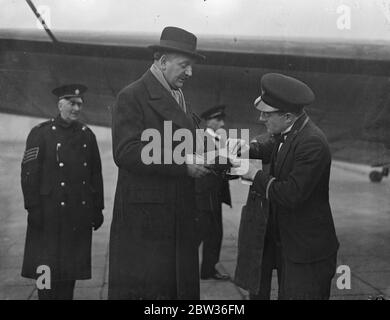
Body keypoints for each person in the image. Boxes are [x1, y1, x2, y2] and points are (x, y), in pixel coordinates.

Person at [108, 26, 210, 299]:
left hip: (175, 212)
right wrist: (182, 165)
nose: (190, 73)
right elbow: (127, 151)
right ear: (162, 61)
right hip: (148, 220)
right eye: (185, 65)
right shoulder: (132, 95)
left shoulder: (177, 95)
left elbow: (185, 141)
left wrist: (217, 153)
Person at [233, 73, 339, 299]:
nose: (261, 118)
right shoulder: (292, 131)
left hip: (306, 251)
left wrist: (255, 175)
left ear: (288, 116)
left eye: (267, 114)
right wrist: (248, 149)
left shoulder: (312, 143)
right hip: (289, 242)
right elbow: (272, 144)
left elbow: (291, 194)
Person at [21, 84, 104, 300]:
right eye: (72, 103)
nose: (77, 108)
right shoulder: (41, 133)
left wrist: (98, 208)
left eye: (80, 104)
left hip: (76, 215)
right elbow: (29, 174)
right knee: (45, 269)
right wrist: (33, 207)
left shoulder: (87, 135)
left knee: (69, 271)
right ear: (60, 105)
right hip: (48, 214)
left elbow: (96, 175)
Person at [197, 105, 231, 280]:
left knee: (215, 234)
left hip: (214, 196)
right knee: (199, 234)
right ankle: (181, 268)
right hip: (203, 197)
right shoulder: (201, 139)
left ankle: (208, 270)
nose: (222, 123)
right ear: (209, 121)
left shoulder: (218, 140)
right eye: (218, 120)